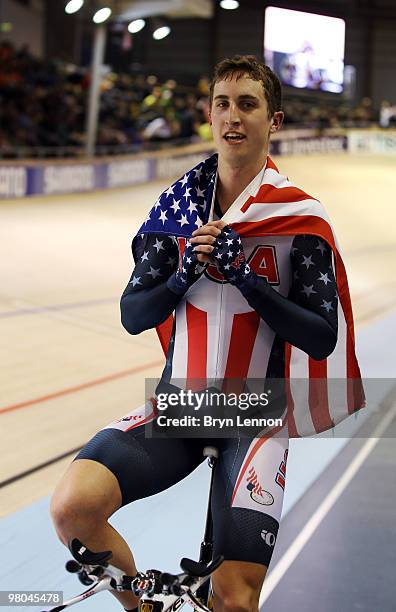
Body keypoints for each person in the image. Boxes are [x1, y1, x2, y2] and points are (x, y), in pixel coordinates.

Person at [50, 55, 362, 612]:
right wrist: (180, 276)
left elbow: (321, 338)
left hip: (252, 414)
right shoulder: (176, 214)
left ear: (276, 121)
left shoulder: (299, 219)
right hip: (180, 408)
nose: (233, 116)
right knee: (72, 508)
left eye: (248, 104)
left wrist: (247, 279)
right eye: (222, 103)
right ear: (209, 115)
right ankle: (141, 607)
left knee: (234, 598)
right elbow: (133, 314)